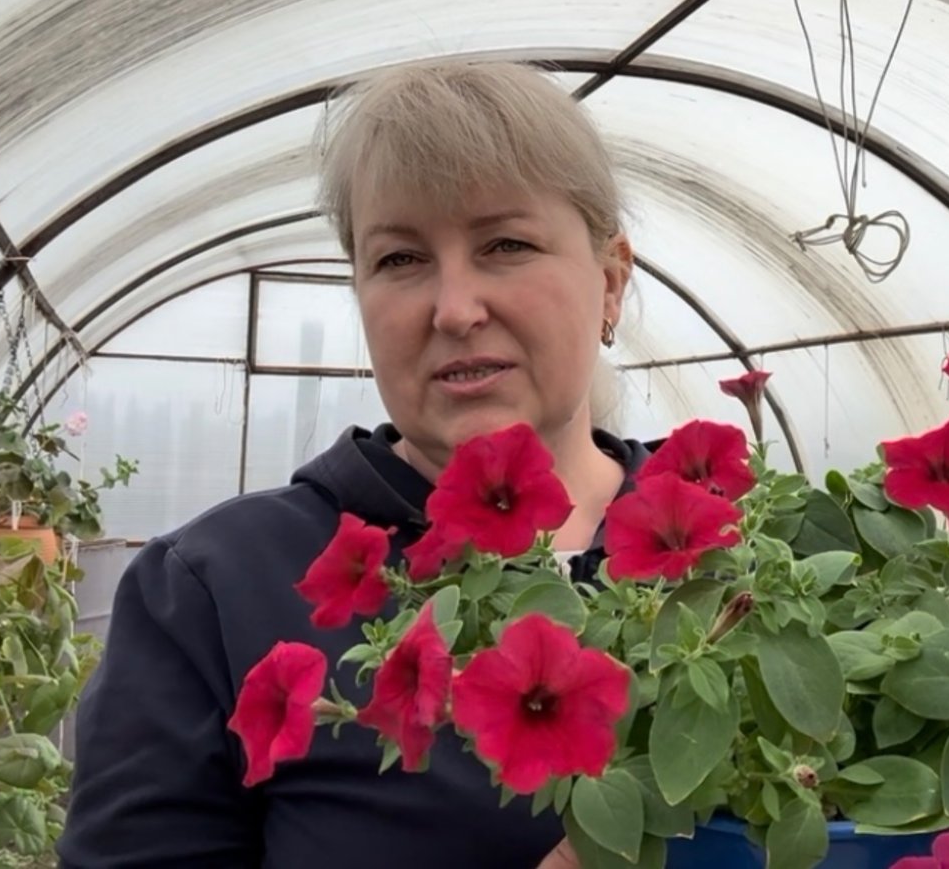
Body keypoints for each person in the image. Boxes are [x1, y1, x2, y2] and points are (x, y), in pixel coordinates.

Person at [58, 63, 646, 868]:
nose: (454, 308)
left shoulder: (743, 549)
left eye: (506, 244)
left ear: (609, 282)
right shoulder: (212, 587)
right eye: (400, 258)